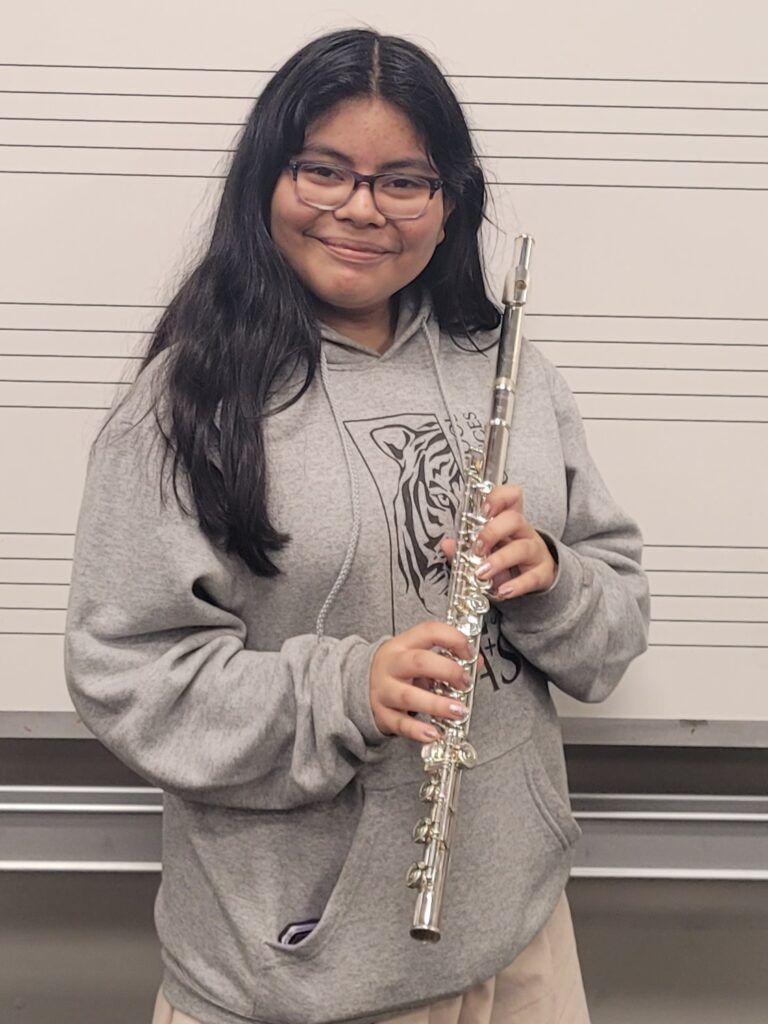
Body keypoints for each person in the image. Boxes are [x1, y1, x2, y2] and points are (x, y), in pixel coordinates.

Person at [64, 27, 650, 1024]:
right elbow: (127, 674)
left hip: (520, 935)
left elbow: (615, 618)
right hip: (299, 972)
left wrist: (549, 577)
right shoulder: (190, 397)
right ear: (268, 180)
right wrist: (349, 687)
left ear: (448, 201)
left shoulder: (508, 365)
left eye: (403, 182)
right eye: (323, 171)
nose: (360, 209)